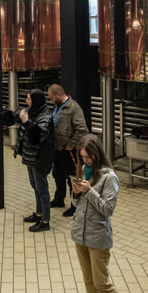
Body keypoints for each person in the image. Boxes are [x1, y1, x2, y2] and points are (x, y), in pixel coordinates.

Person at [71, 135, 138, 293]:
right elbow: (78, 203)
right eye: (82, 157)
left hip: (98, 236)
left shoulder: (109, 178)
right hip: (80, 233)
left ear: (97, 154)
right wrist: (75, 194)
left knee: (102, 282)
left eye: (88, 157)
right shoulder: (84, 171)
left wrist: (89, 191)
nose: (86, 161)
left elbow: (108, 209)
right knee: (88, 279)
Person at [0, 89, 55, 232]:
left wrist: (26, 122)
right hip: (30, 156)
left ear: (36, 101)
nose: (26, 102)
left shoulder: (46, 116)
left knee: (42, 189)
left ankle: (45, 220)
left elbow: (38, 136)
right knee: (35, 186)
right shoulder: (31, 110)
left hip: (39, 158)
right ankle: (39, 213)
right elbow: (14, 115)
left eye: (29, 99)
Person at [48, 84, 88, 217]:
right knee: (57, 174)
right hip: (57, 148)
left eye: (52, 97)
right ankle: (59, 199)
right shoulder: (57, 107)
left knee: (72, 178)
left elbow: (82, 129)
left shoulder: (73, 108)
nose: (51, 99)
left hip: (69, 150)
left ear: (59, 94)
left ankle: (75, 205)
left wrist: (71, 144)